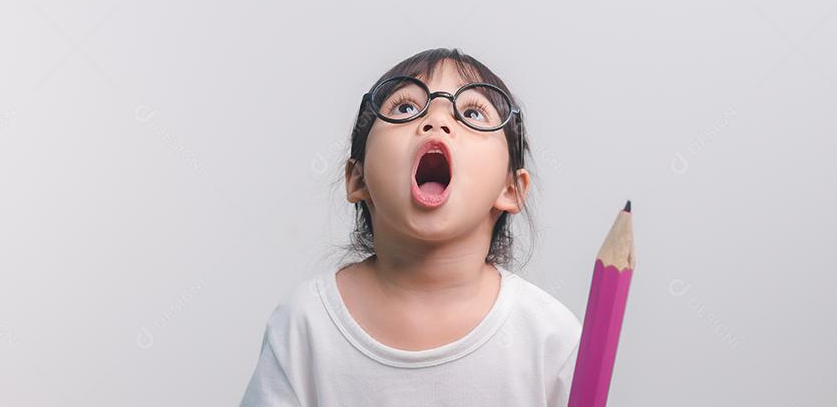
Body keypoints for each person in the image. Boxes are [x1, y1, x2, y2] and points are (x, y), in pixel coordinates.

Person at [239, 48, 582, 406]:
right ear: (358, 179)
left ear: (510, 189)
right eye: (405, 108)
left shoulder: (550, 336)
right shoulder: (305, 325)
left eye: (471, 112)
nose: (436, 121)